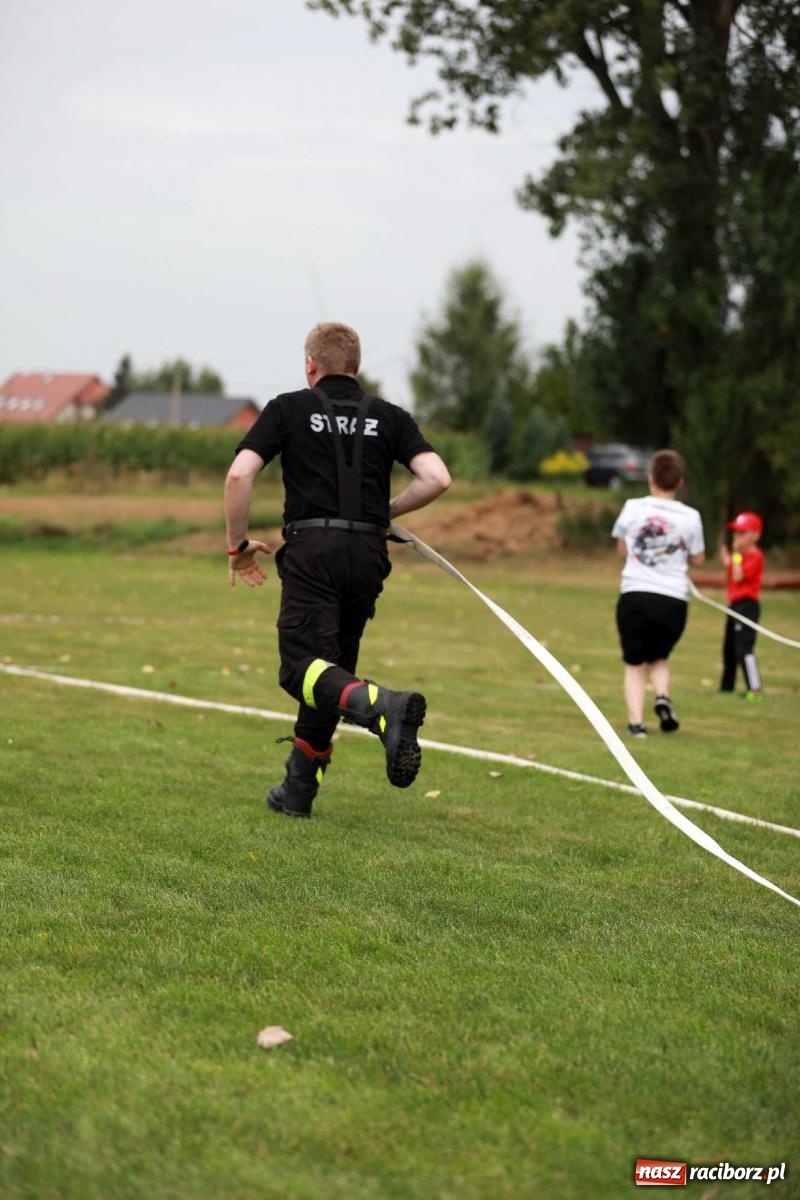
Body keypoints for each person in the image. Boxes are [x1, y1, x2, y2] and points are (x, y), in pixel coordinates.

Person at [223, 321, 451, 818]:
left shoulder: (288, 407)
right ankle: (298, 792)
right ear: (356, 366)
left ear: (311, 365)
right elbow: (437, 478)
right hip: (368, 556)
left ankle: (380, 705)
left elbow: (240, 473)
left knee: (299, 668)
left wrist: (237, 545)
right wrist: (384, 513)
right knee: (330, 672)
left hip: (313, 551)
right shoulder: (389, 416)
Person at [611, 449, 705, 737]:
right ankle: (662, 695)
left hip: (636, 594)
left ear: (650, 478)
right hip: (673, 600)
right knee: (660, 657)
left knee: (635, 664)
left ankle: (637, 724)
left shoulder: (632, 508)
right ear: (679, 482)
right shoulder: (691, 516)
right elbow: (699, 558)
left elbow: (621, 550)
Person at [719, 510, 764, 701]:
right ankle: (726, 687)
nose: (737, 537)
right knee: (728, 648)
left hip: (747, 606)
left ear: (755, 535)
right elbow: (730, 568)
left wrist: (735, 555)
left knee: (743, 648)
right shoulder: (739, 556)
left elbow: (737, 575)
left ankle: (754, 689)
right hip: (734, 605)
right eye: (736, 533)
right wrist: (726, 557)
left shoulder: (755, 556)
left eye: (742, 533)